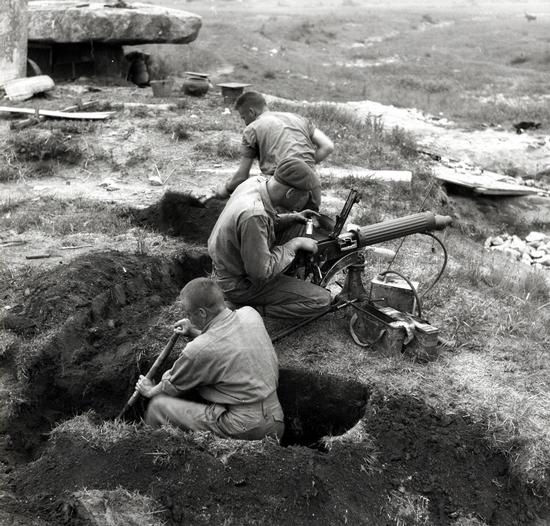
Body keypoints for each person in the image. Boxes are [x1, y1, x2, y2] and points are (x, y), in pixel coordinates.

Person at [135, 278, 285, 440]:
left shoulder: (198, 350)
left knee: (158, 408)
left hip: (244, 427)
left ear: (201, 313)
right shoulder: (250, 314)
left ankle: (150, 454)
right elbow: (225, 343)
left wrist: (149, 390)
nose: (188, 318)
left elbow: (170, 386)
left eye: (188, 313)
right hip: (276, 421)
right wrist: (193, 331)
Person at [207, 157, 332, 319]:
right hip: (239, 284)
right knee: (322, 300)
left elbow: (265, 222)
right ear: (290, 193)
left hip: (228, 264)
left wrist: (292, 217)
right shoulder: (254, 215)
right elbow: (261, 273)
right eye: (303, 197)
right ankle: (249, 310)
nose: (304, 202)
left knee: (299, 224)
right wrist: (294, 244)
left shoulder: (254, 183)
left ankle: (282, 284)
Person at [214, 90, 334, 204]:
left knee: (247, 203)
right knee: (306, 223)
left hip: (283, 193)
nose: (245, 122)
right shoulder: (298, 118)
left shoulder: (252, 129)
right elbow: (327, 146)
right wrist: (303, 168)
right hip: (313, 190)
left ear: (251, 112)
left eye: (244, 117)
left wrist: (224, 190)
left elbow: (241, 177)